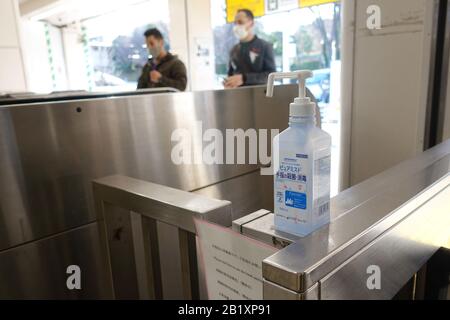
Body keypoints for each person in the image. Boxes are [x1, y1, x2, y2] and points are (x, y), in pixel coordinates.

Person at [224, 9, 276, 89]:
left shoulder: (265, 46)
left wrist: (244, 78)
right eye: (235, 23)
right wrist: (228, 82)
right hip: (238, 96)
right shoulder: (234, 50)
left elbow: (271, 75)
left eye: (240, 22)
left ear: (251, 23)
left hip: (260, 95)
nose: (237, 26)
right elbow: (230, 74)